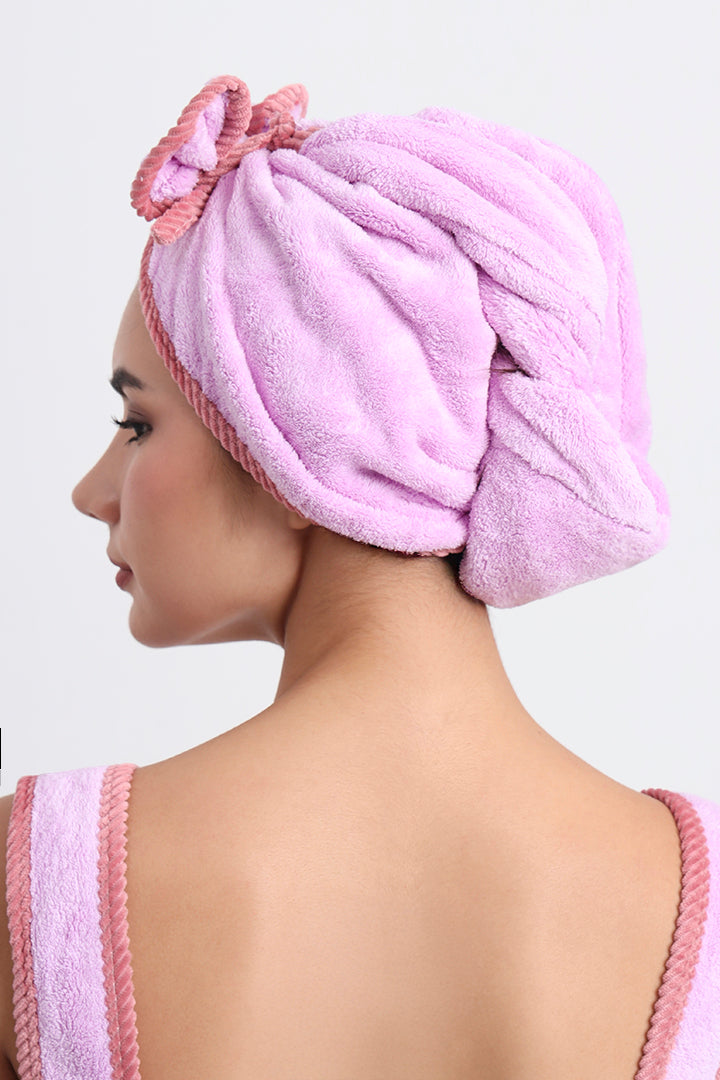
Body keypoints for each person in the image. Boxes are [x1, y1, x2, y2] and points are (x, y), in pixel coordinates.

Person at [0, 74, 717, 1080]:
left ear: (298, 449)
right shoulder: (688, 898)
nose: (92, 492)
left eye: (137, 424)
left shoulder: (41, 884)